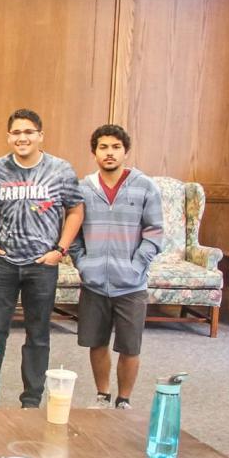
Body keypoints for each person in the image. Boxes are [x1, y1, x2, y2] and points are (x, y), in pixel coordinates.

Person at [0, 109, 85, 409]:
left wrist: (60, 250)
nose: (22, 138)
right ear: (9, 136)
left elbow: (75, 210)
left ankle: (31, 398)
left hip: (42, 264)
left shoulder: (60, 170)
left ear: (40, 136)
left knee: (38, 333)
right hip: (2, 262)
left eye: (28, 132)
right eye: (16, 133)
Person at [69, 124, 163, 411]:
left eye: (115, 147)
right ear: (94, 153)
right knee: (96, 343)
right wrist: (83, 264)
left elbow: (155, 232)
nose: (109, 153)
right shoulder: (83, 188)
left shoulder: (144, 186)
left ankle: (124, 400)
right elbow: (73, 233)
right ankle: (102, 394)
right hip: (94, 283)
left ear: (125, 151)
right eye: (103, 147)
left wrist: (137, 266)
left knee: (129, 346)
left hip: (132, 285)